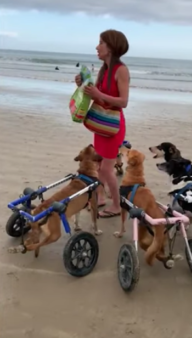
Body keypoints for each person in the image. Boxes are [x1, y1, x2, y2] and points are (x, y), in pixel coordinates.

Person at [75, 29, 130, 218]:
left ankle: (116, 205)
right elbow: (95, 93)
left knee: (106, 170)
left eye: (101, 43)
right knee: (98, 166)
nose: (97, 47)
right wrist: (82, 85)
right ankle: (100, 198)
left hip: (113, 127)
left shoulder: (121, 70)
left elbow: (123, 101)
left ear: (111, 47)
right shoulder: (104, 69)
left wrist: (98, 95)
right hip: (101, 125)